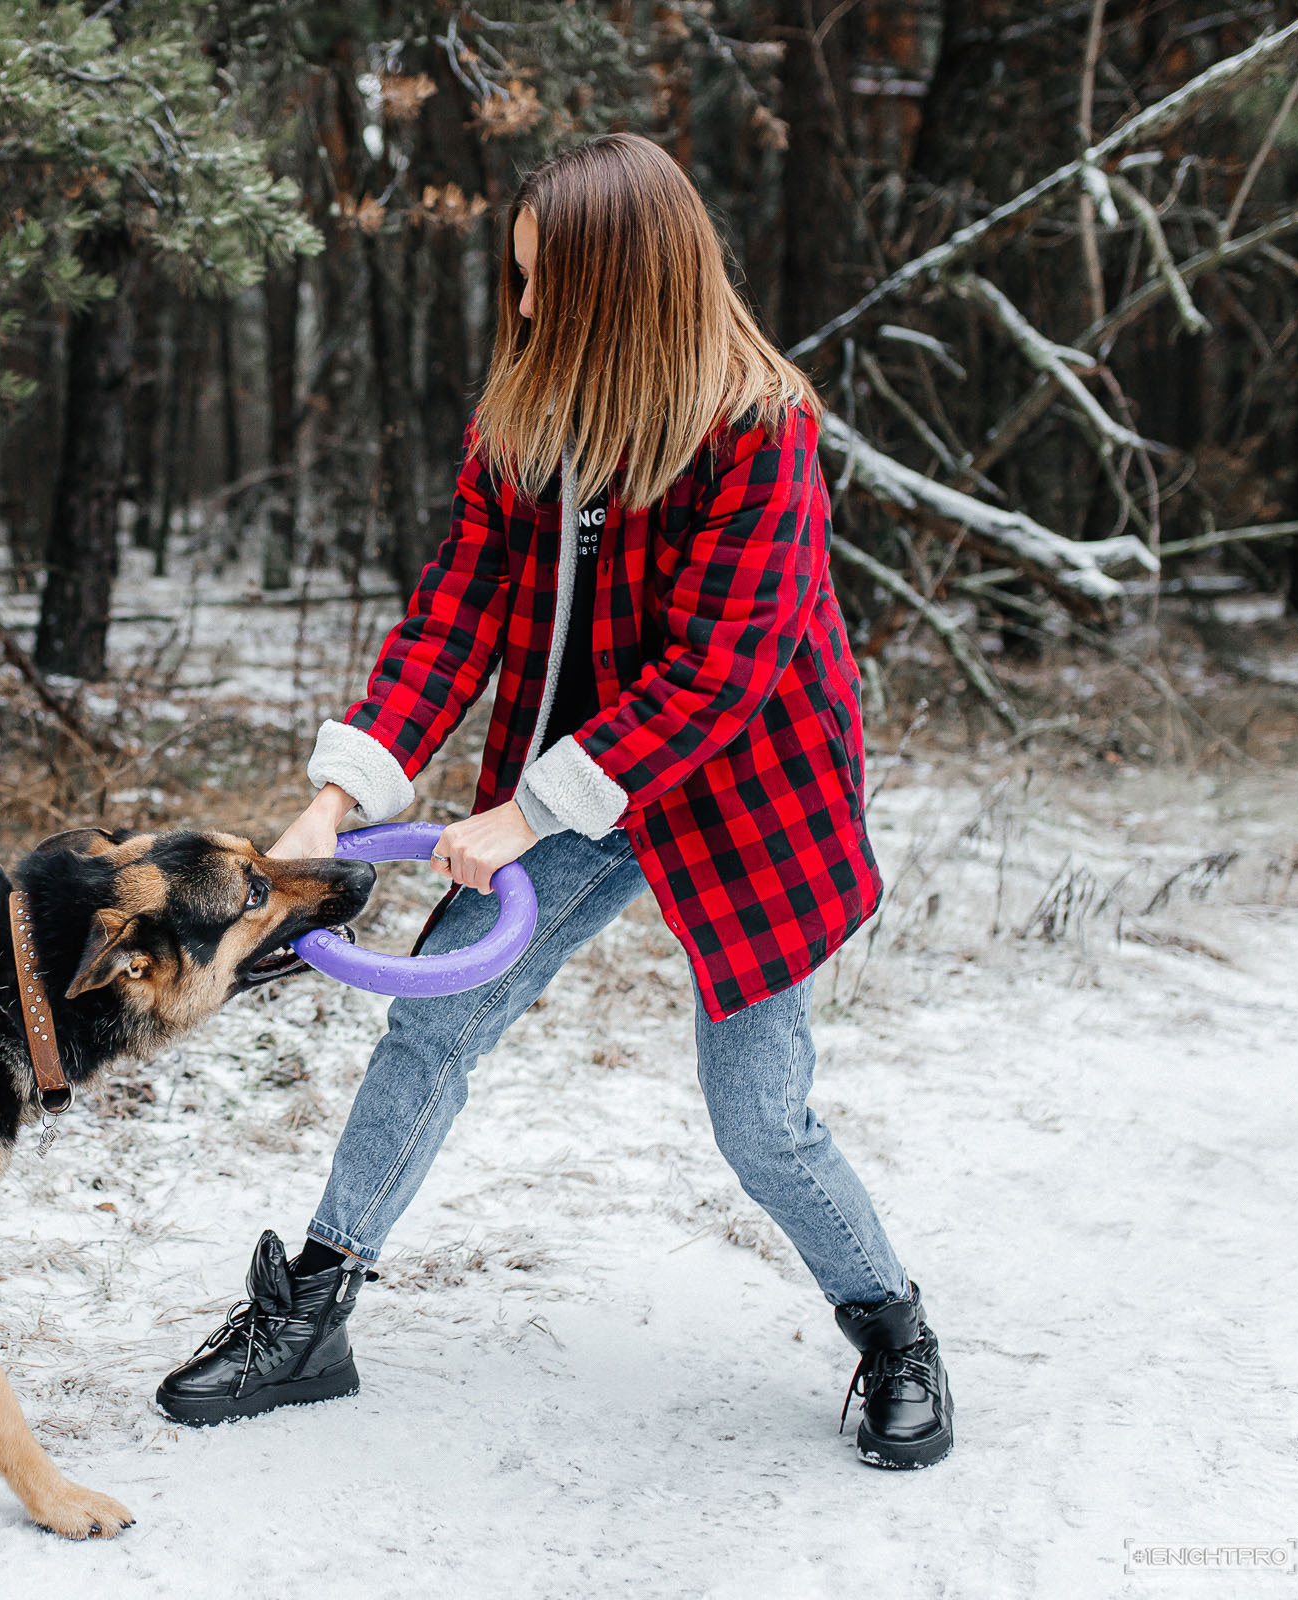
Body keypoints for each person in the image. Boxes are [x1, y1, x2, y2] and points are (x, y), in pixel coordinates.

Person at [155, 133, 952, 1470]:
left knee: (761, 1120)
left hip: (736, 793)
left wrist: (524, 815)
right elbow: (457, 608)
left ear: (627, 288)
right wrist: (341, 795)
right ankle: (313, 1313)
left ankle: (894, 1334)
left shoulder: (762, 433)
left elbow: (721, 669)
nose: (521, 309)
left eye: (546, 286)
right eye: (516, 279)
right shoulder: (525, 419)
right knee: (431, 1029)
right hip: (568, 788)